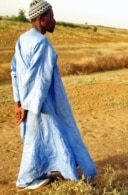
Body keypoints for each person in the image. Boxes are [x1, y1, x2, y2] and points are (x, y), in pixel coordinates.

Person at [11, 0, 97, 190]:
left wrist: (19, 103)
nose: (54, 20)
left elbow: (14, 72)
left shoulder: (23, 39)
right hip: (40, 103)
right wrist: (29, 106)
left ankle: (42, 171)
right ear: (42, 19)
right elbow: (39, 81)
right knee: (54, 135)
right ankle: (25, 180)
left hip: (28, 102)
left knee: (44, 138)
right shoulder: (42, 43)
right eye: (51, 16)